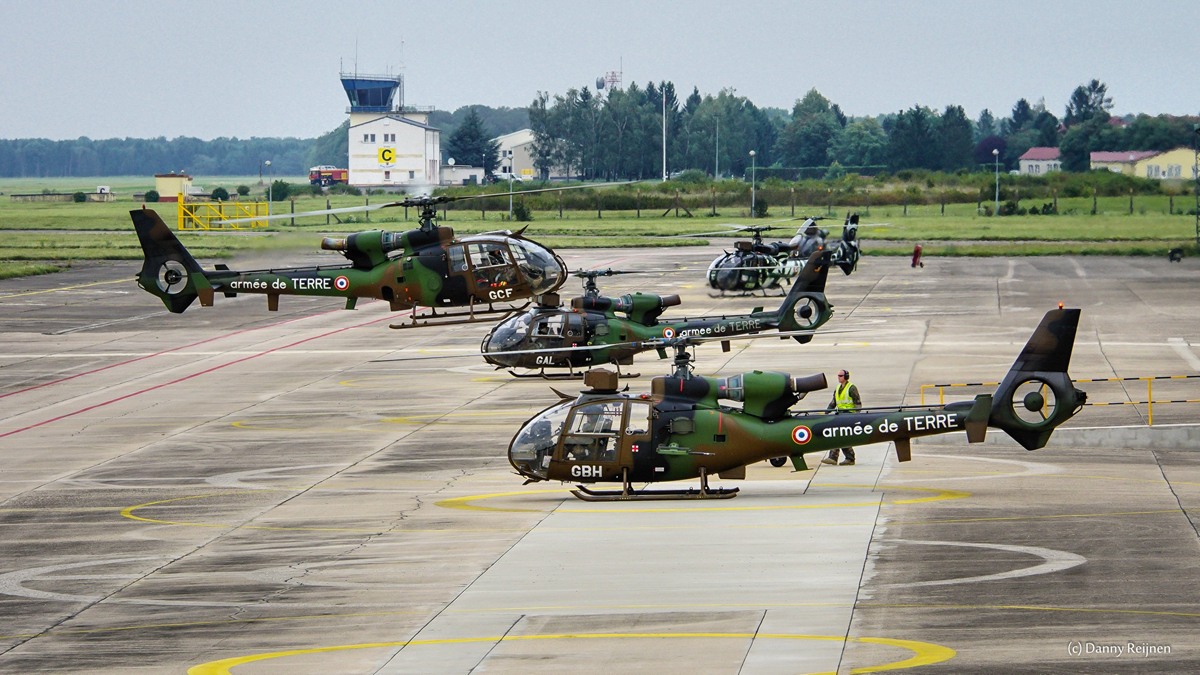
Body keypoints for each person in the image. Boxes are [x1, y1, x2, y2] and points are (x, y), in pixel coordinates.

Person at [821, 369, 861, 466]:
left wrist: (857, 417)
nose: (838, 377)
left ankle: (835, 457)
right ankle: (847, 458)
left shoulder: (851, 388)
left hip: (848, 416)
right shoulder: (838, 388)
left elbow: (858, 403)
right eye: (838, 375)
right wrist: (825, 413)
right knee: (841, 437)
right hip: (840, 416)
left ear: (846, 377)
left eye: (840, 375)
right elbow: (833, 402)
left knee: (839, 436)